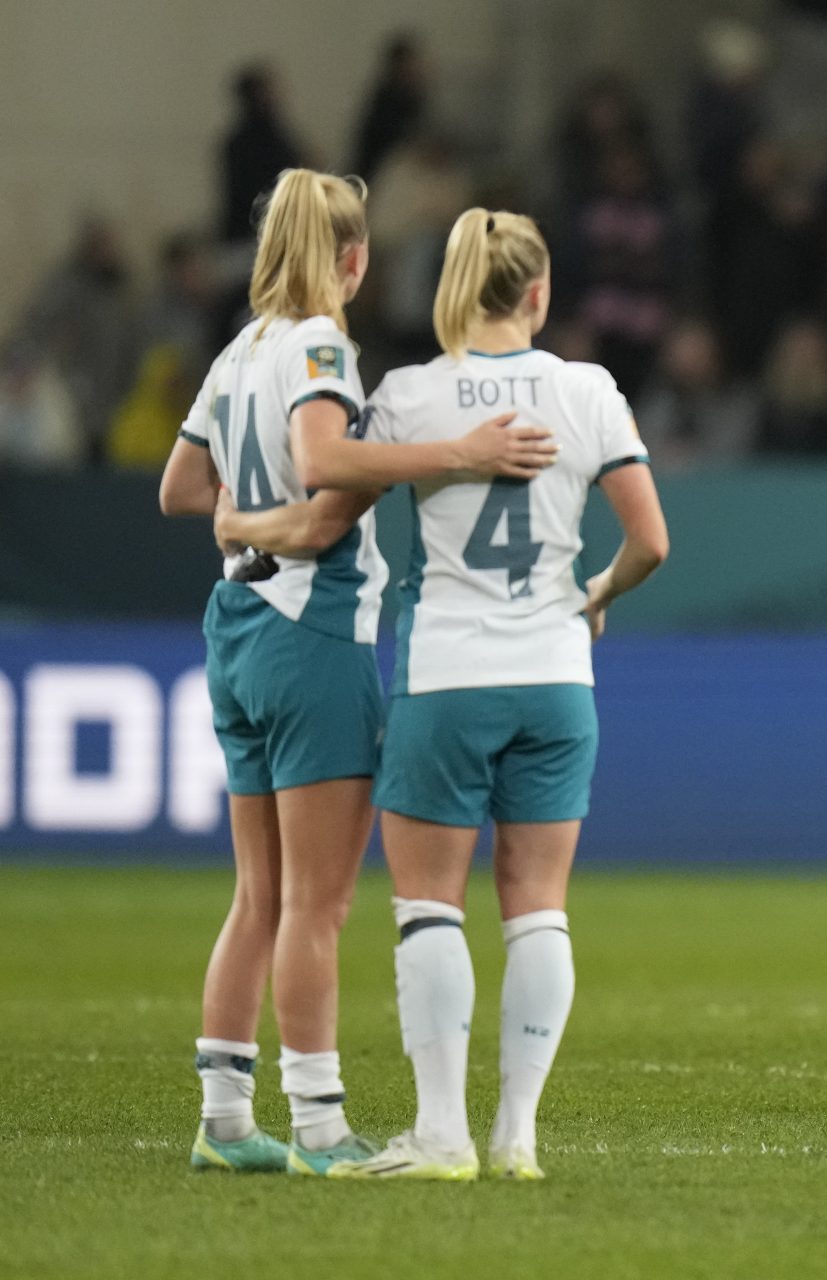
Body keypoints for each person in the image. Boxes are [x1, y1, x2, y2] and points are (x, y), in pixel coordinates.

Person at [231, 208, 667, 1181]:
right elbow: (652, 541)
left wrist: (237, 520)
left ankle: (441, 1133)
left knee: (429, 904)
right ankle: (517, 1135)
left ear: (453, 287)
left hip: (448, 677)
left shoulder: (410, 395)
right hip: (558, 677)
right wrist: (595, 593)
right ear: (541, 293)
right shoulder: (588, 387)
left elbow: (316, 524)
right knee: (539, 905)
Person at [158, 168, 558, 1176]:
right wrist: (456, 451)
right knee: (316, 904)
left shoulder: (240, 348)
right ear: (350, 257)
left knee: (258, 892)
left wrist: (242, 516)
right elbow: (329, 457)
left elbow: (178, 487)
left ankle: (225, 1116)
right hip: (312, 627)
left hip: (236, 621)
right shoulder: (319, 343)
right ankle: (322, 1123)